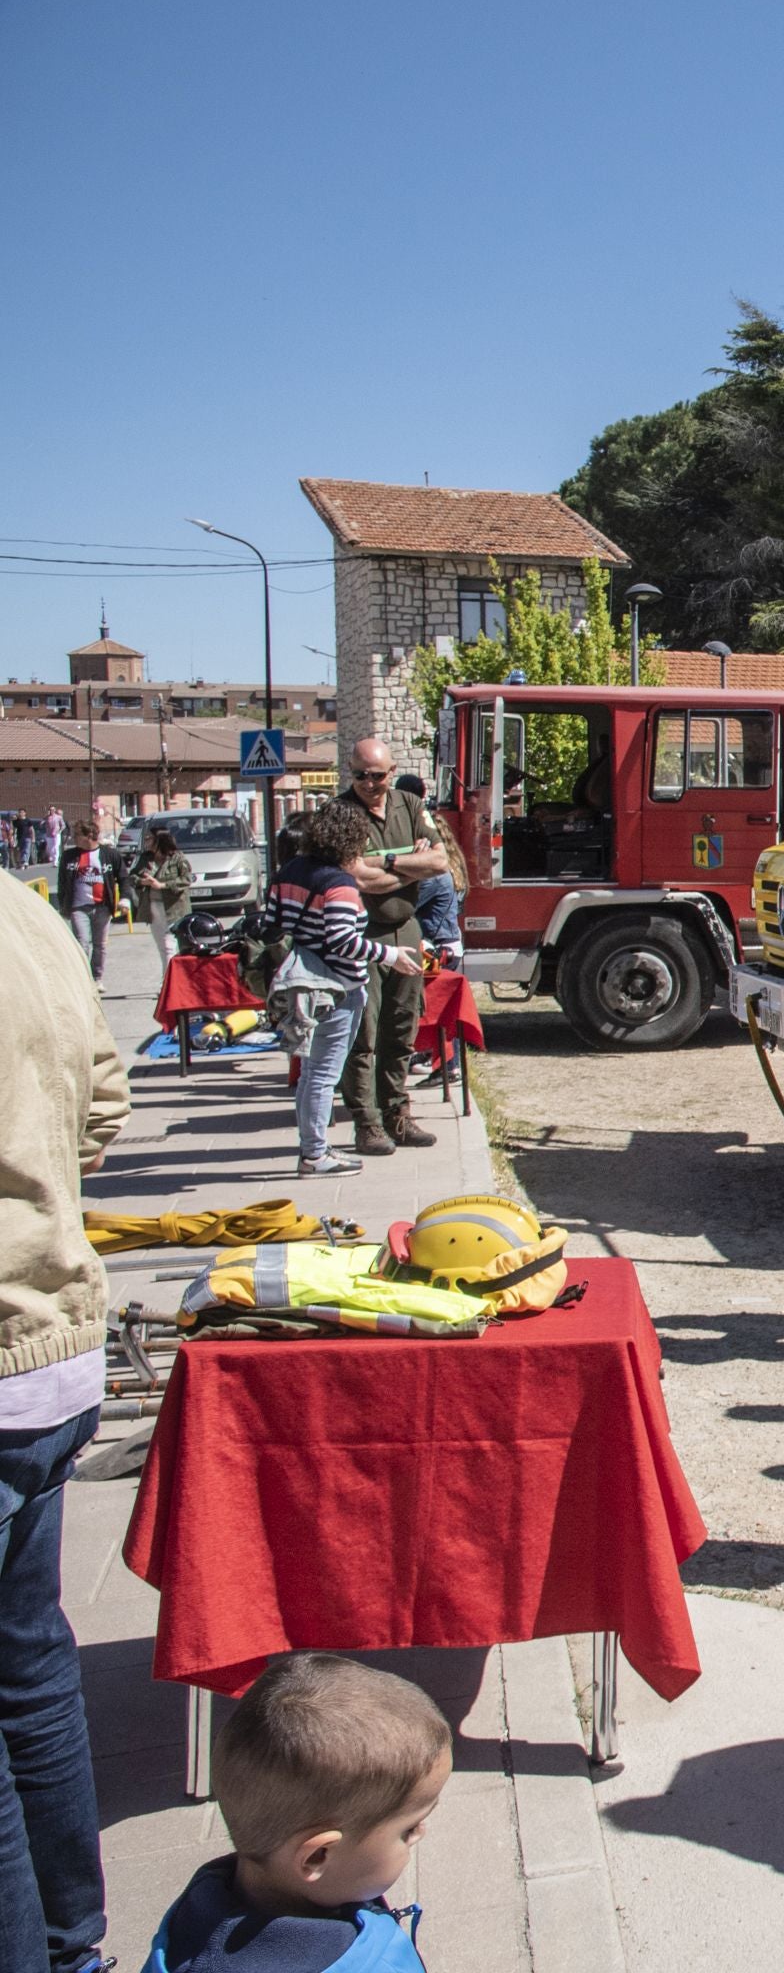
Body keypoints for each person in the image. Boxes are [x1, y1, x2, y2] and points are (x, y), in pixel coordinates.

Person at [0, 852, 128, 1973]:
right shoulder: (23, 912)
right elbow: (107, 1097)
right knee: (31, 1661)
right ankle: (71, 1941)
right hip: (49, 1338)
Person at [145, 1653, 451, 1973]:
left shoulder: (190, 1925)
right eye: (408, 1829)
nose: (421, 1832)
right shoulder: (364, 1964)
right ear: (317, 1856)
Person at [273, 804, 421, 1179]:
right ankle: (315, 1154)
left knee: (309, 1074)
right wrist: (389, 954)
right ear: (351, 842)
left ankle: (313, 1146)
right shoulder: (338, 884)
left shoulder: (290, 871)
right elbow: (342, 941)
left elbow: (278, 921)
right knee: (324, 1074)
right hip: (336, 988)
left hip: (302, 981)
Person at [334, 741, 448, 1159]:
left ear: (392, 771)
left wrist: (381, 863)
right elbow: (355, 877)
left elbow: (439, 862)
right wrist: (404, 861)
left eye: (377, 776)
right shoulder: (340, 812)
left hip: (405, 927)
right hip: (361, 934)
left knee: (402, 1029)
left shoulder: (410, 803)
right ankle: (367, 1123)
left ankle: (398, 1114)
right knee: (363, 1034)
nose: (368, 783)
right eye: (360, 775)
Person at [387, 775, 466, 970]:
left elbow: (404, 905)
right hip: (446, 945)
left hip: (438, 949)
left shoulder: (435, 876)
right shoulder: (452, 868)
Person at [130, 829, 194, 979]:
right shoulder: (146, 858)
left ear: (159, 841)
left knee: (170, 946)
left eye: (149, 839)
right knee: (163, 947)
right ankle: (170, 981)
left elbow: (187, 879)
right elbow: (132, 876)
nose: (146, 842)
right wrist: (141, 881)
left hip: (175, 908)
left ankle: (169, 982)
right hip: (154, 907)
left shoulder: (177, 858)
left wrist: (162, 885)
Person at [51, 836, 107, 984]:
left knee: (100, 944)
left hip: (102, 907)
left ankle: (97, 977)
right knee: (82, 943)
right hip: (78, 906)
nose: (75, 839)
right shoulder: (70, 856)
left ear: (89, 837)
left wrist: (123, 898)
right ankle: (84, 978)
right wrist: (64, 904)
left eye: (78, 835)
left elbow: (121, 877)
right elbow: (62, 881)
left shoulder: (108, 854)